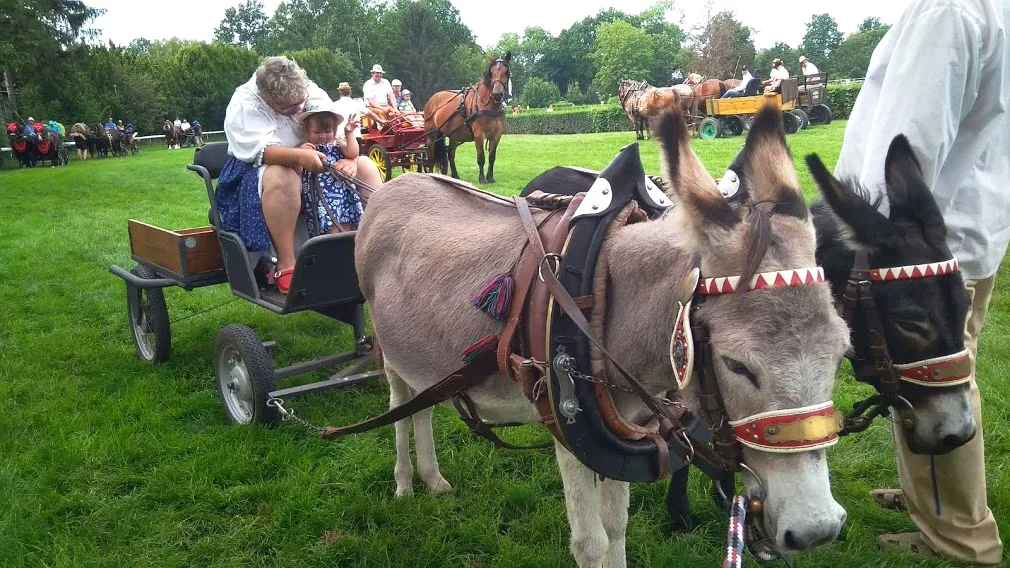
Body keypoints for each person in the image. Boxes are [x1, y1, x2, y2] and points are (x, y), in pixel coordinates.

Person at [832, 0, 1008, 564]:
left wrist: (870, 244)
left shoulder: (947, 11)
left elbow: (906, 146)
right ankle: (927, 503)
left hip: (927, 254)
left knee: (937, 377)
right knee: (920, 373)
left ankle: (959, 538)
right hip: (959, 234)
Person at [216, 56, 384, 294]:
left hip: (316, 162)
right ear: (269, 99)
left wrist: (350, 158)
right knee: (282, 175)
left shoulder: (306, 90)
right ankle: (287, 263)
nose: (298, 110)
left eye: (300, 102)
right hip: (261, 171)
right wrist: (299, 157)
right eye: (290, 107)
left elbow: (334, 132)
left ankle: (380, 245)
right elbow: (264, 152)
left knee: (365, 165)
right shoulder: (245, 104)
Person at [298, 103, 364, 235]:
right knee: (329, 226)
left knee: (349, 222)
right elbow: (298, 167)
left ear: (334, 130)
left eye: (328, 132)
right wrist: (301, 153)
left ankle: (349, 248)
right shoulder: (307, 148)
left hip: (343, 194)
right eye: (317, 132)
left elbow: (352, 153)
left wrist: (349, 133)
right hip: (320, 195)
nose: (323, 136)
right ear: (306, 130)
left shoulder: (337, 143)